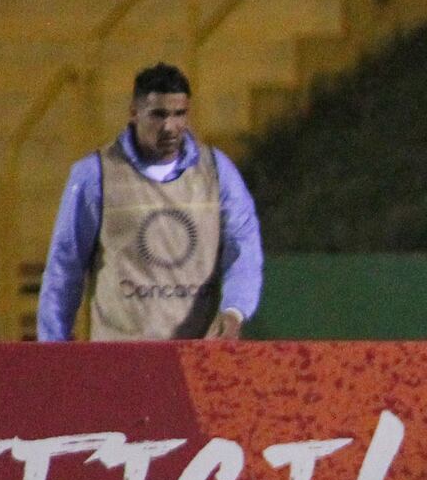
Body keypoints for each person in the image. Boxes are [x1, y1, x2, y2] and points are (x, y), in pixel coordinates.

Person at [38, 63, 263, 341]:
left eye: (179, 114)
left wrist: (235, 310)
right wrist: (52, 345)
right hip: (122, 354)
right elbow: (65, 266)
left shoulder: (217, 171)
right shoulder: (95, 174)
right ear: (134, 113)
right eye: (158, 114)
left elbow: (243, 245)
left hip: (196, 354)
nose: (170, 126)